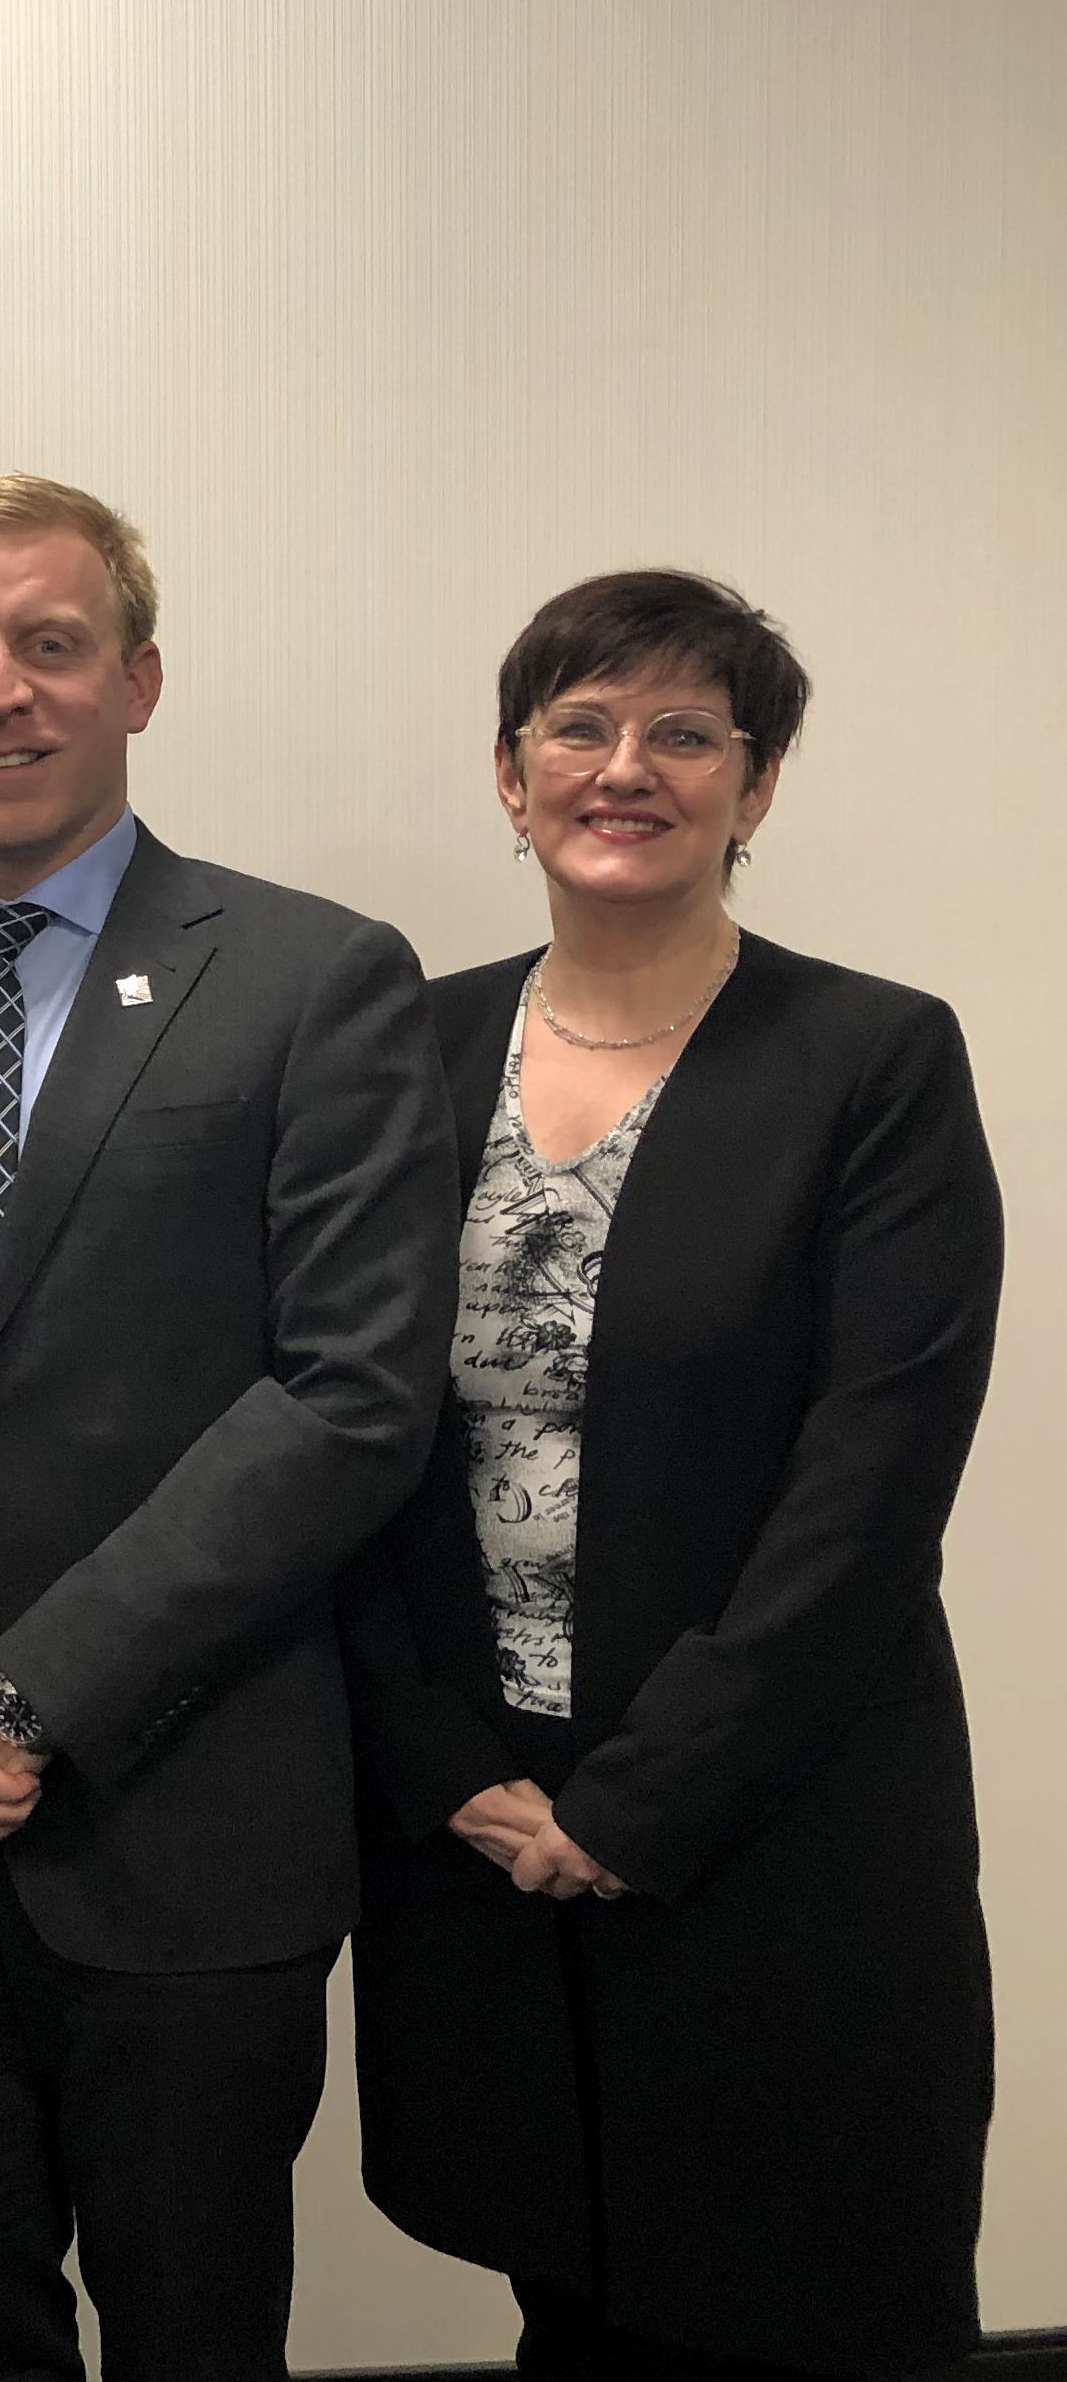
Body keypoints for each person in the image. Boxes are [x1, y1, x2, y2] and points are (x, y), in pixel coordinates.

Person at [0, 472, 452, 2382]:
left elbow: (350, 1390)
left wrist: (29, 1689)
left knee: (191, 2338)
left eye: (47, 645)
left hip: (188, 1816)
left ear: (137, 678)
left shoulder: (314, 978)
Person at [341, 571, 999, 2379]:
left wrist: (639, 1805)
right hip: (486, 1821)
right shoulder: (401, 1046)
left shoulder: (870, 1058)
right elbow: (343, 1429)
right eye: (578, 725)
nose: (623, 768)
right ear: (508, 772)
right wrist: (444, 1762)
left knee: (807, 2304)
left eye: (683, 733)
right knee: (567, 2289)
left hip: (768, 1816)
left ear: (754, 784)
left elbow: (870, 1483)